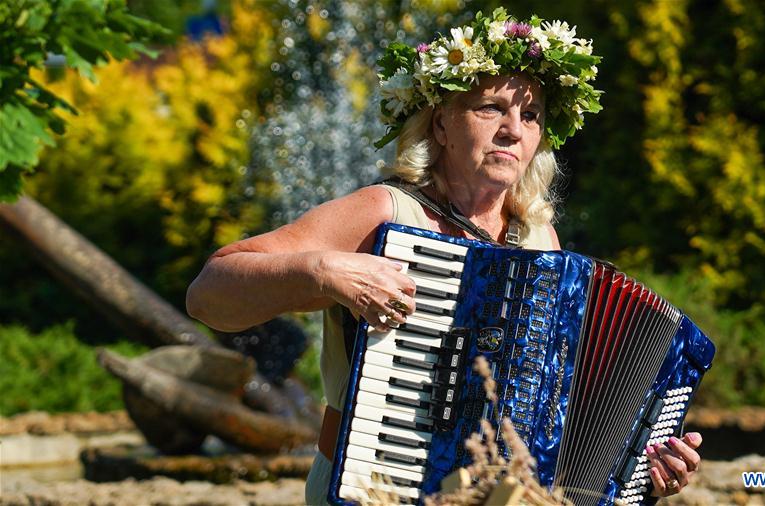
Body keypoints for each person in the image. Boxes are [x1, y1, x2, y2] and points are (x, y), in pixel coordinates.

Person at [186, 8, 702, 504]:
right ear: (439, 125)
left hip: (501, 497)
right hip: (378, 487)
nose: (513, 130)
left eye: (530, 115)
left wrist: (637, 467)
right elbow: (210, 293)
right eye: (490, 108)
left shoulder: (537, 238)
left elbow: (557, 422)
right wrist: (324, 271)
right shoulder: (385, 211)